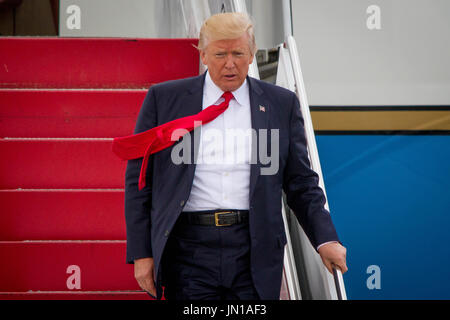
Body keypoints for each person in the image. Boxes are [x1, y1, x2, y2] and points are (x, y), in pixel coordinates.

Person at [116, 12, 347, 300]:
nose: (230, 63)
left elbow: (301, 183)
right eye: (220, 54)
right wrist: (141, 253)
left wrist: (325, 238)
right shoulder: (165, 100)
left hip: (254, 247)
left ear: (251, 54)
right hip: (188, 249)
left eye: (238, 53)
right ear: (202, 54)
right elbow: (139, 183)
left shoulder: (280, 104)